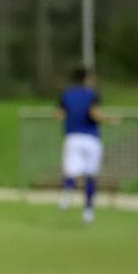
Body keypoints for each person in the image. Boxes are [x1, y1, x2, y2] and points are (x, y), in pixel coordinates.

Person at [56, 67, 116, 224]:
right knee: (90, 176)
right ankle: (88, 211)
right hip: (90, 138)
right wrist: (110, 119)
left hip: (72, 138)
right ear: (87, 79)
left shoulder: (67, 94)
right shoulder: (92, 94)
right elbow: (94, 114)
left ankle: (67, 193)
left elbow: (59, 115)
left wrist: (72, 116)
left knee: (71, 173)